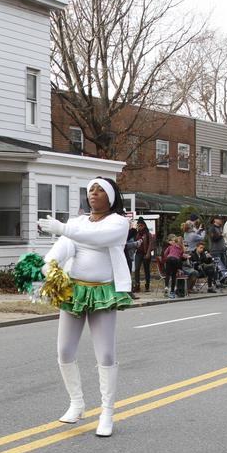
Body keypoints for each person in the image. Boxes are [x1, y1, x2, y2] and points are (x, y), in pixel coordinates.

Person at [37, 178, 132, 438]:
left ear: (111, 197)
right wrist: (49, 267)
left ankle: (107, 412)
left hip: (102, 292)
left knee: (106, 355)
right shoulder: (77, 224)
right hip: (75, 292)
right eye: (91, 190)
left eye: (100, 190)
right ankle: (77, 404)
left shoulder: (118, 222)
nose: (94, 194)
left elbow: (97, 237)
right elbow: (62, 250)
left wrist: (62, 227)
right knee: (64, 350)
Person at [132, 217, 152, 293]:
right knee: (137, 269)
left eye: (141, 226)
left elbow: (150, 244)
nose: (139, 227)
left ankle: (147, 285)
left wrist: (148, 253)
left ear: (144, 225)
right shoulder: (137, 233)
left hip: (145, 253)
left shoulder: (147, 233)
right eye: (138, 226)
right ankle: (137, 285)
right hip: (138, 253)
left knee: (146, 270)